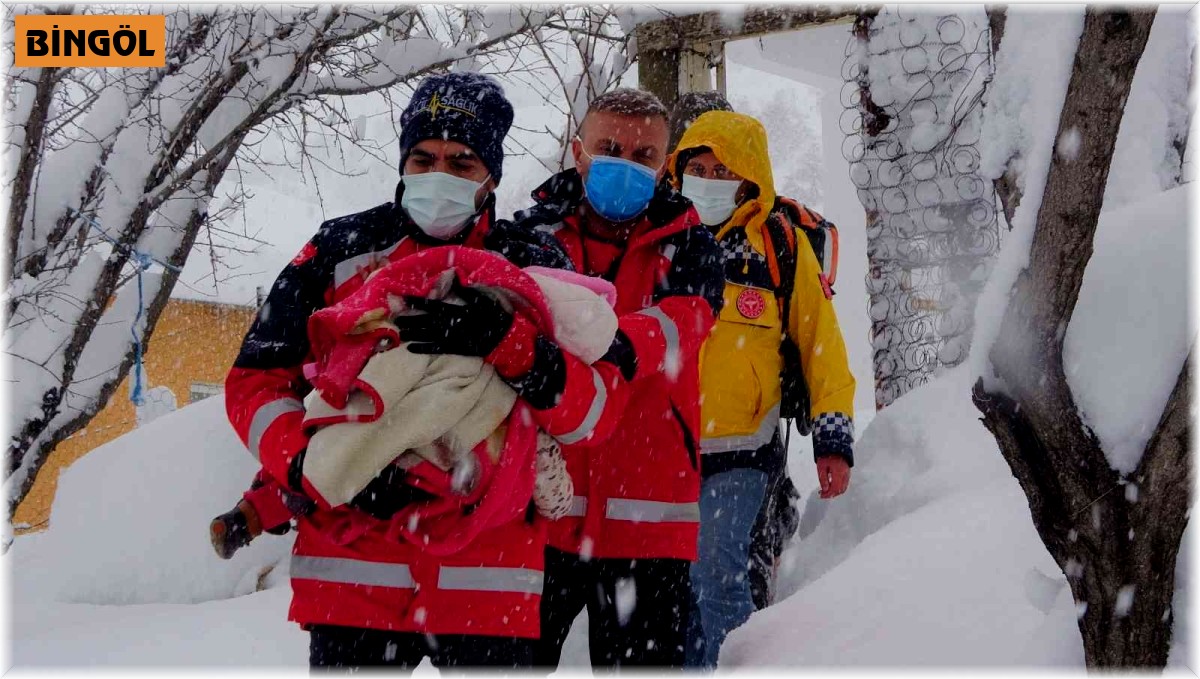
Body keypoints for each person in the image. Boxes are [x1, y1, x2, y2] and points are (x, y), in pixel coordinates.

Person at [221, 72, 617, 670]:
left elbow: (592, 415)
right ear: (403, 163)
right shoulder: (339, 248)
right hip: (353, 572)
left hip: (489, 576)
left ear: (491, 177)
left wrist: (512, 345)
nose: (440, 174)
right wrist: (304, 466)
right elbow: (257, 380)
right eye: (424, 158)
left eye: (461, 162)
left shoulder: (533, 264)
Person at [513, 88, 725, 669]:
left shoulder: (693, 246)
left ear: (664, 166)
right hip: (539, 512)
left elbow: (683, 322)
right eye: (610, 148)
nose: (625, 165)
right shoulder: (530, 236)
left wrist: (603, 341)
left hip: (647, 521)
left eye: (644, 156)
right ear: (578, 151)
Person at [668, 110, 857, 669]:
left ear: (748, 178)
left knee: (716, 569)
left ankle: (738, 665)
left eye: (722, 170)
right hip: (663, 451)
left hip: (743, 452)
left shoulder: (779, 244)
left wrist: (833, 440)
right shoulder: (660, 236)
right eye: (698, 168)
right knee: (672, 589)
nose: (707, 180)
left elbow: (822, 346)